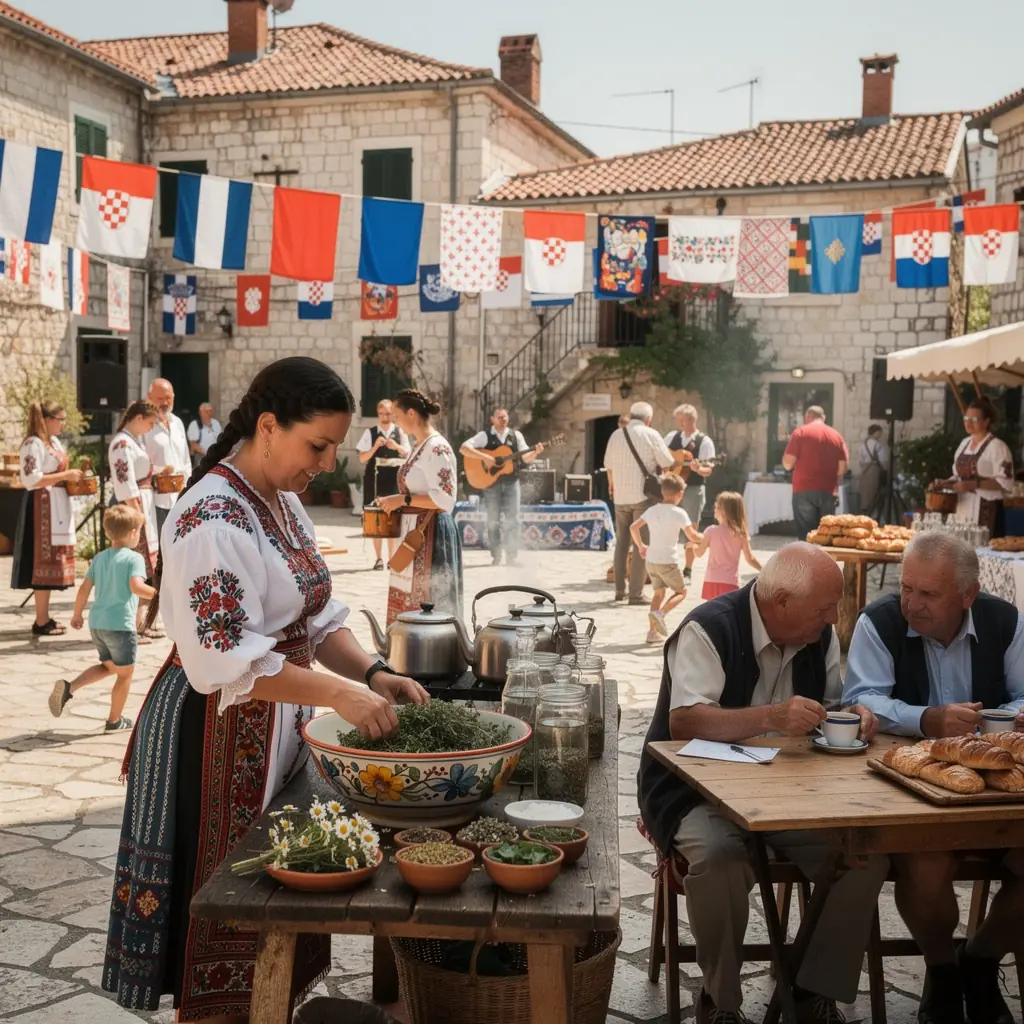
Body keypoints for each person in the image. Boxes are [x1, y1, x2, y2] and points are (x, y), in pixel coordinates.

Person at [103, 357, 428, 1021]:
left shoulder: (279, 501)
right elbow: (222, 656)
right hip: (211, 735)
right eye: (318, 445)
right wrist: (338, 696)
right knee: (223, 921)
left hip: (271, 721)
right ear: (270, 426)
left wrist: (372, 674)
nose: (327, 462)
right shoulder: (209, 520)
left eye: (336, 448)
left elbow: (318, 618)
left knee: (272, 922)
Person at [637, 543, 885, 1024]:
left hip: (790, 792)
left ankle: (814, 990)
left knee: (863, 856)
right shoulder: (709, 627)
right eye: (824, 607)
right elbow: (685, 721)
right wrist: (772, 717)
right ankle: (720, 1001)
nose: (834, 617)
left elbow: (828, 707)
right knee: (721, 857)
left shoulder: (821, 634)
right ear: (782, 603)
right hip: (695, 791)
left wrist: (849, 715)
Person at [843, 532, 1024, 1024]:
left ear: (968, 595)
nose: (911, 604)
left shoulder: (1003, 620)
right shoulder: (878, 621)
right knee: (925, 862)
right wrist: (928, 720)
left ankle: (981, 958)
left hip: (997, 781)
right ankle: (942, 967)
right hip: (915, 784)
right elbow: (862, 697)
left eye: (929, 594)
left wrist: (993, 723)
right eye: (907, 588)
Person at [50, 505, 155, 731]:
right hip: (120, 626)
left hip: (97, 624)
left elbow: (84, 589)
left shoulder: (99, 558)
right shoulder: (134, 558)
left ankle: (70, 688)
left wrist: (77, 615)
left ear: (108, 532)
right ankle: (114, 721)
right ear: (133, 533)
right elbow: (136, 587)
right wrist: (160, 595)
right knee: (125, 674)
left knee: (109, 666)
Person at [376, 388, 463, 625]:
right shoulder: (419, 446)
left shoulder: (437, 448)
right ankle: (409, 650)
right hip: (417, 531)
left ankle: (434, 653)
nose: (395, 421)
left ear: (411, 413)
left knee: (434, 601)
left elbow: (445, 498)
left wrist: (401, 500)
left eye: (397, 415)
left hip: (433, 532)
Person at [11, 400, 82, 635]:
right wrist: (65, 474)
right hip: (40, 506)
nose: (63, 423)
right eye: (60, 419)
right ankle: (40, 620)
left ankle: (45, 617)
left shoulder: (53, 442)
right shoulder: (33, 444)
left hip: (56, 505)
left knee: (51, 562)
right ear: (47, 420)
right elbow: (30, 479)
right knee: (41, 564)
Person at [604, 401, 675, 604]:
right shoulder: (651, 434)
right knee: (640, 545)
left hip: (620, 497)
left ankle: (619, 591)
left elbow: (608, 465)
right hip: (643, 497)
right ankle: (635, 593)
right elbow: (667, 462)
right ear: (648, 419)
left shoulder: (616, 435)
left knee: (621, 544)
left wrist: (612, 486)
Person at [460, 407, 543, 567]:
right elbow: (464, 448)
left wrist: (535, 453)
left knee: (514, 519)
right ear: (493, 419)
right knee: (493, 521)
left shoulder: (515, 435)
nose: (503, 420)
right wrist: (486, 457)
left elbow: (525, 458)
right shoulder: (484, 436)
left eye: (505, 417)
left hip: (512, 483)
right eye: (499, 417)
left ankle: (512, 557)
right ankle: (496, 555)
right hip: (491, 484)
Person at [630, 474, 703, 644]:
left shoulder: (652, 510)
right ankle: (661, 614)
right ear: (679, 494)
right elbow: (692, 535)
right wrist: (706, 538)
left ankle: (652, 632)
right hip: (668, 561)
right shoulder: (679, 513)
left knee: (658, 593)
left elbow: (633, 527)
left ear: (663, 492)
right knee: (681, 592)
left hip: (651, 561)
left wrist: (641, 546)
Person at [932, 397, 1013, 536]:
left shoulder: (998, 447)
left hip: (987, 511)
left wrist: (973, 484)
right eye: (966, 418)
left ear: (986, 421)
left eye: (974, 420)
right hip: (963, 509)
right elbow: (958, 476)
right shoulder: (964, 443)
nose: (968, 423)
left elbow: (1005, 482)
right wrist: (945, 483)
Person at [108, 401, 161, 605]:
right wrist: (137, 513)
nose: (151, 428)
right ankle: (135, 621)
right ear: (138, 418)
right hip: (131, 507)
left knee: (145, 563)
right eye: (150, 423)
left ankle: (142, 621)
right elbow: (124, 481)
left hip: (142, 502)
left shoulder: (133, 441)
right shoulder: (122, 443)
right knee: (135, 564)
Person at [664, 403, 716, 584]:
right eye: (678, 420)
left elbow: (708, 470)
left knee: (691, 529)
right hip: (671, 488)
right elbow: (662, 457)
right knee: (667, 525)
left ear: (692, 420)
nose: (679, 424)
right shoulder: (672, 437)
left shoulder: (704, 441)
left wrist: (698, 468)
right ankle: (666, 566)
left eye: (682, 421)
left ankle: (687, 569)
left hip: (693, 489)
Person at [356, 398, 410, 570]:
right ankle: (379, 559)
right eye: (381, 414)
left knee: (393, 518)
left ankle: (392, 558)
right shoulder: (370, 432)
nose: (384, 417)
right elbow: (362, 458)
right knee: (376, 517)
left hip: (394, 480)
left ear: (393, 414)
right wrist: (374, 447)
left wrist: (396, 447)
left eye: (387, 413)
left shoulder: (400, 433)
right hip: (375, 479)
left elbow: (409, 455)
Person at [782, 406, 849, 542]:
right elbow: (843, 468)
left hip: (803, 489)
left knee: (806, 536)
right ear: (823, 418)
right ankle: (824, 562)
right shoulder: (836, 436)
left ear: (808, 417)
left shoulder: (800, 433)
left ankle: (808, 563)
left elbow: (788, 464)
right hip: (828, 491)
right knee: (826, 535)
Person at [144, 377, 192, 541]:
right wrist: (158, 471)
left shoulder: (177, 423)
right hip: (155, 501)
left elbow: (185, 461)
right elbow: (139, 462)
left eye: (168, 398)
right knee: (158, 552)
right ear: (149, 397)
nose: (165, 402)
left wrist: (188, 491)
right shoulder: (144, 425)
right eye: (160, 398)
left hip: (180, 500)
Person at [693, 491, 762, 601]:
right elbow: (750, 559)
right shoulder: (741, 534)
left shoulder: (710, 531)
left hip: (711, 581)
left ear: (724, 511)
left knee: (712, 613)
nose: (714, 509)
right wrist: (763, 570)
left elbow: (698, 553)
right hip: (730, 582)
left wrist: (692, 546)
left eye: (717, 507)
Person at [857, 424, 888, 515]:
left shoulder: (863, 445)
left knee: (865, 493)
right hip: (874, 470)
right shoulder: (877, 445)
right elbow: (884, 460)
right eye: (880, 433)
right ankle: (873, 513)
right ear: (876, 433)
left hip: (864, 470)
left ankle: (865, 510)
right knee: (874, 492)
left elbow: (860, 460)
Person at [186, 402, 222, 468]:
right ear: (200, 412)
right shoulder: (194, 424)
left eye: (211, 411)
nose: (209, 413)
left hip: (216, 457)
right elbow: (193, 445)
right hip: (201, 458)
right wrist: (208, 455)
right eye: (206, 411)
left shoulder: (216, 423)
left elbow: (220, 440)